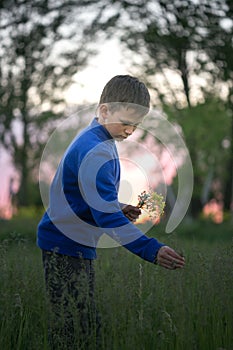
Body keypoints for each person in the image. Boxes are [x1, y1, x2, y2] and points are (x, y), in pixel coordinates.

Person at [37, 75, 185, 349]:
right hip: (65, 246)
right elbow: (107, 219)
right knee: (75, 328)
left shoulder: (94, 140)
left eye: (137, 126)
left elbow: (83, 196)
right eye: (127, 122)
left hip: (69, 242)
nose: (130, 132)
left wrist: (116, 206)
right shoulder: (97, 151)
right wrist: (151, 249)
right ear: (104, 110)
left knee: (78, 322)